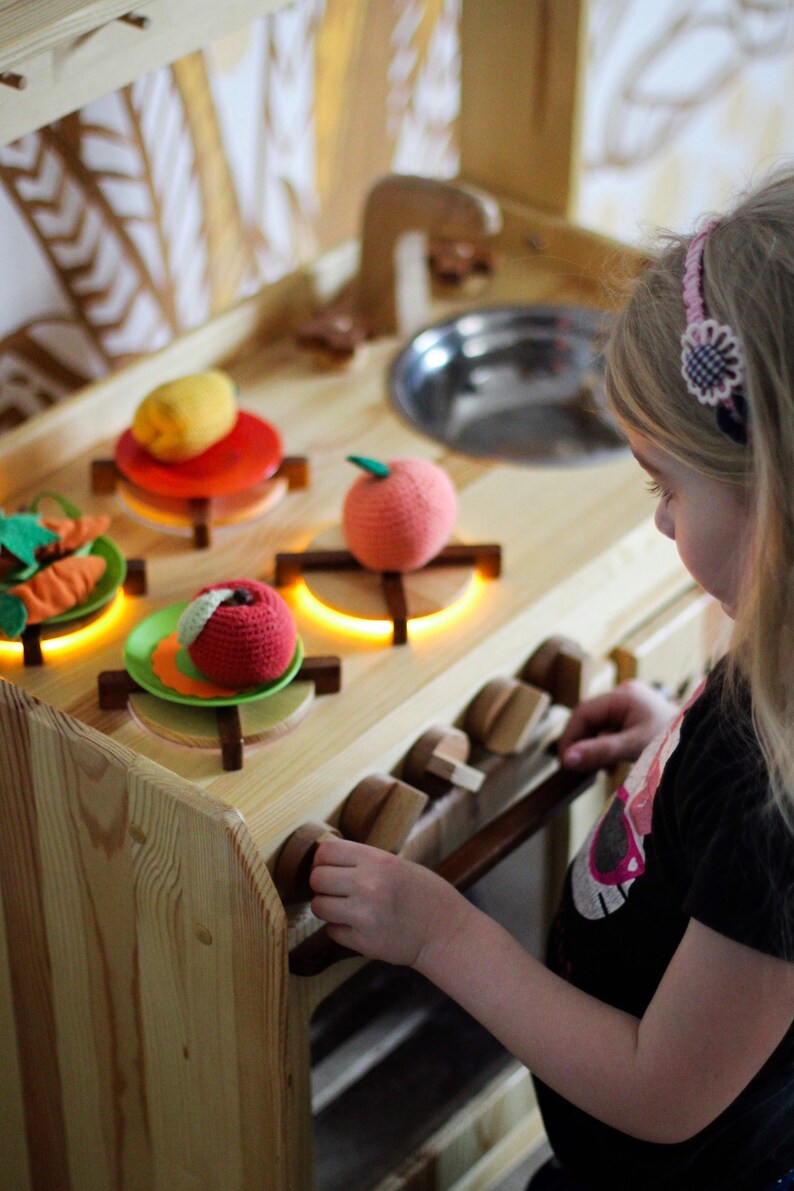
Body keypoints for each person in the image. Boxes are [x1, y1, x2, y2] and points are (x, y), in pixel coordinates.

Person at [310, 169, 794, 1190]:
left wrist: (440, 932)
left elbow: (659, 1089)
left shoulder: (782, 807)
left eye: (667, 486)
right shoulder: (775, 661)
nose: (659, 520)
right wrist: (671, 745)